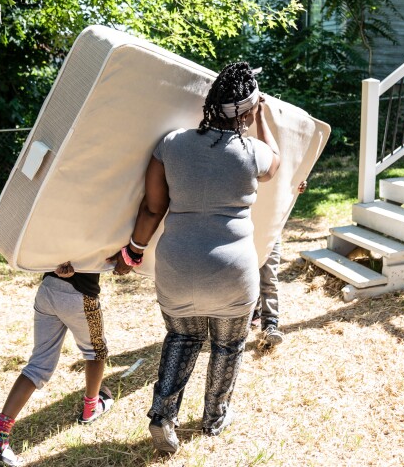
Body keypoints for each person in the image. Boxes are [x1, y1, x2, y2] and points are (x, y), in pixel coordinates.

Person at [109, 62, 280, 455]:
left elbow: (153, 208)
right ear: (249, 111)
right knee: (227, 346)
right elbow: (276, 161)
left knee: (182, 336)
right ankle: (214, 417)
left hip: (177, 265)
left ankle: (162, 416)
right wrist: (264, 116)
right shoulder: (252, 152)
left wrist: (132, 253)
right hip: (232, 270)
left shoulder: (172, 143)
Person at [0, 261, 112, 467]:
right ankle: (91, 408)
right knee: (96, 351)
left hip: (48, 289)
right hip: (80, 295)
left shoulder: (55, 226)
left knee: (38, 365)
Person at [251, 180, 307, 347]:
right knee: (244, 275)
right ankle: (251, 312)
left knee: (269, 277)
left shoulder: (281, 158)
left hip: (271, 227)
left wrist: (297, 182)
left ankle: (270, 325)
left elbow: (289, 176)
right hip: (244, 224)